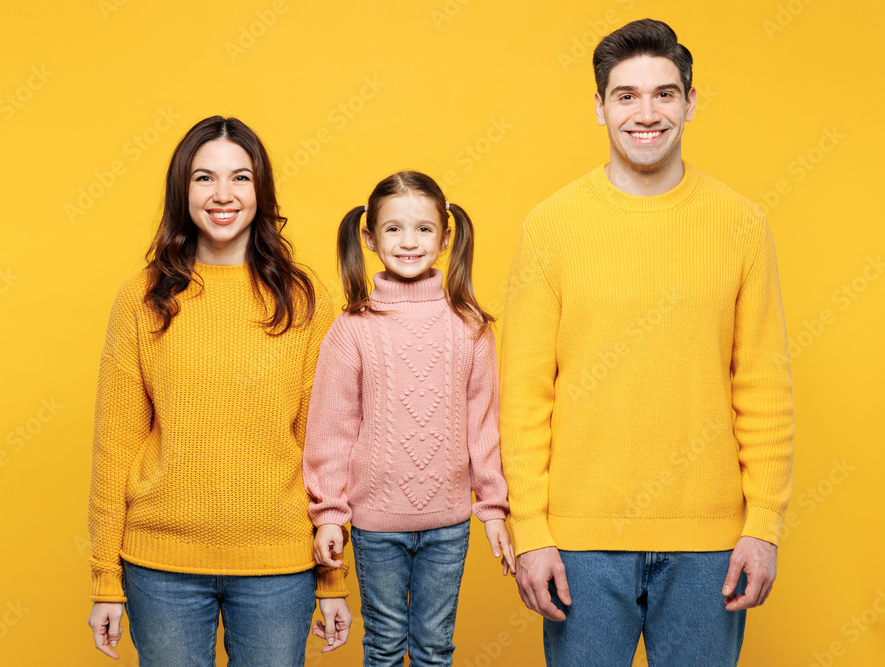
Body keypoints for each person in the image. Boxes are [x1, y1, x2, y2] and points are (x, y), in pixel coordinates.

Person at [500, 19, 794, 666]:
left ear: (691, 101)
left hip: (711, 547)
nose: (646, 112)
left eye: (664, 93)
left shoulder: (742, 225)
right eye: (626, 95)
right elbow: (522, 396)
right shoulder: (549, 227)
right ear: (599, 107)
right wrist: (530, 531)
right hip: (577, 545)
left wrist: (763, 523)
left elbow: (763, 383)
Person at [85, 115, 351, 666]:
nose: (223, 194)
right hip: (161, 565)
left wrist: (332, 580)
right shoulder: (142, 297)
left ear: (262, 190)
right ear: (182, 191)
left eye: (241, 178)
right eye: (204, 178)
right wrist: (105, 580)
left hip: (279, 564)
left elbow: (328, 445)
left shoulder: (306, 299)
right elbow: (114, 445)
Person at [303, 170, 515, 667]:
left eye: (423, 228)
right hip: (376, 526)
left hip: (448, 525)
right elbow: (331, 431)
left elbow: (483, 427)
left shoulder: (469, 326)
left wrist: (494, 508)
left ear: (444, 237)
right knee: (383, 645)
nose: (408, 241)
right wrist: (329, 513)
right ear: (370, 237)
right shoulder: (351, 329)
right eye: (393, 228)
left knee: (435, 647)